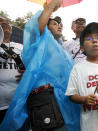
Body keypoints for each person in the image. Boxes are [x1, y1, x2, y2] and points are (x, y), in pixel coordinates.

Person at [0, 0, 80, 131]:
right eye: (54, 24)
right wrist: (50, 7)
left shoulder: (61, 51)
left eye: (60, 24)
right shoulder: (38, 44)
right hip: (46, 103)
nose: (59, 26)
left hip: (66, 104)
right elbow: (36, 28)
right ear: (46, 29)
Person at [0, 16, 25, 126]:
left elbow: (33, 68)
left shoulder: (22, 47)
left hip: (19, 104)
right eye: (1, 21)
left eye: (7, 22)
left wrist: (28, 74)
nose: (5, 23)